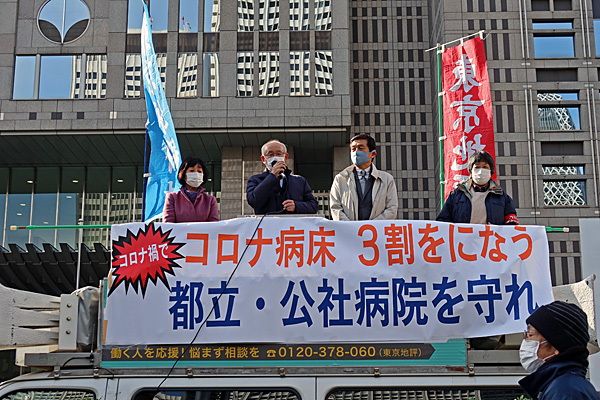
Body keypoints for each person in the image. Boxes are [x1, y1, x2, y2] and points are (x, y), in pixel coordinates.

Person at [519, 301, 600, 399]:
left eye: (530, 335)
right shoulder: (568, 386)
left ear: (556, 346)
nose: (526, 340)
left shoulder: (565, 391)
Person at [436, 150, 518, 225]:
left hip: (491, 237)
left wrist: (497, 229)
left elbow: (512, 224)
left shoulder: (502, 197)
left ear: (491, 171)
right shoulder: (456, 195)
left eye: (485, 167)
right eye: (477, 167)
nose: (481, 171)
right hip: (463, 237)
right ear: (471, 171)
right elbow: (443, 222)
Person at [329, 134, 398, 221]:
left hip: (376, 229)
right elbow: (335, 208)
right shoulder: (340, 179)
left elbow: (391, 208)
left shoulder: (387, 179)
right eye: (353, 149)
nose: (356, 152)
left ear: (373, 154)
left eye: (360, 148)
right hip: (349, 229)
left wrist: (371, 226)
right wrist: (350, 226)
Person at [246, 140, 318, 215]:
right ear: (263, 159)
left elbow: (313, 206)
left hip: (292, 222)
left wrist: (296, 206)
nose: (275, 157)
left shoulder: (299, 181)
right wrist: (272, 176)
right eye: (270, 154)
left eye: (278, 154)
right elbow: (253, 201)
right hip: (267, 222)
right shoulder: (255, 180)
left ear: (285, 157)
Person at [163, 157, 219, 223]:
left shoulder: (210, 200)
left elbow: (214, 225)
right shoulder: (172, 198)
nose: (196, 174)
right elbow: (168, 224)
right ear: (183, 174)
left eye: (199, 171)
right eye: (192, 171)